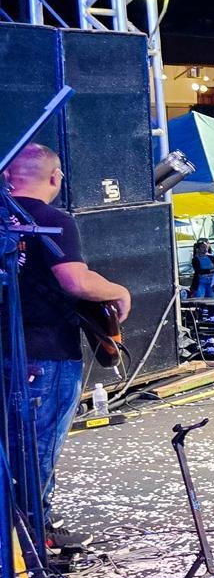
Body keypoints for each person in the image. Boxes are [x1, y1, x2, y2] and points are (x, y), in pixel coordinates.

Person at [4, 143, 131, 527]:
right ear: (55, 177)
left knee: (10, 447)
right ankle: (34, 533)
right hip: (47, 353)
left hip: (7, 349)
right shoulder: (52, 219)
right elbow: (75, 281)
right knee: (38, 448)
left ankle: (14, 534)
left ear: (7, 176)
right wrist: (118, 291)